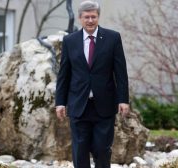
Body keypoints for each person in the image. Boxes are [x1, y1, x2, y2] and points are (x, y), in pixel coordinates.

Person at [55, 1, 129, 168]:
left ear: (98, 17)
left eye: (93, 17)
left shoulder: (113, 38)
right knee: (80, 149)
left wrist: (123, 100)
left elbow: (121, 73)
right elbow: (64, 75)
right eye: (86, 17)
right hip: (78, 105)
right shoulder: (70, 41)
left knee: (102, 148)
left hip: (104, 105)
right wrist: (60, 102)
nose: (90, 20)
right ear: (80, 18)